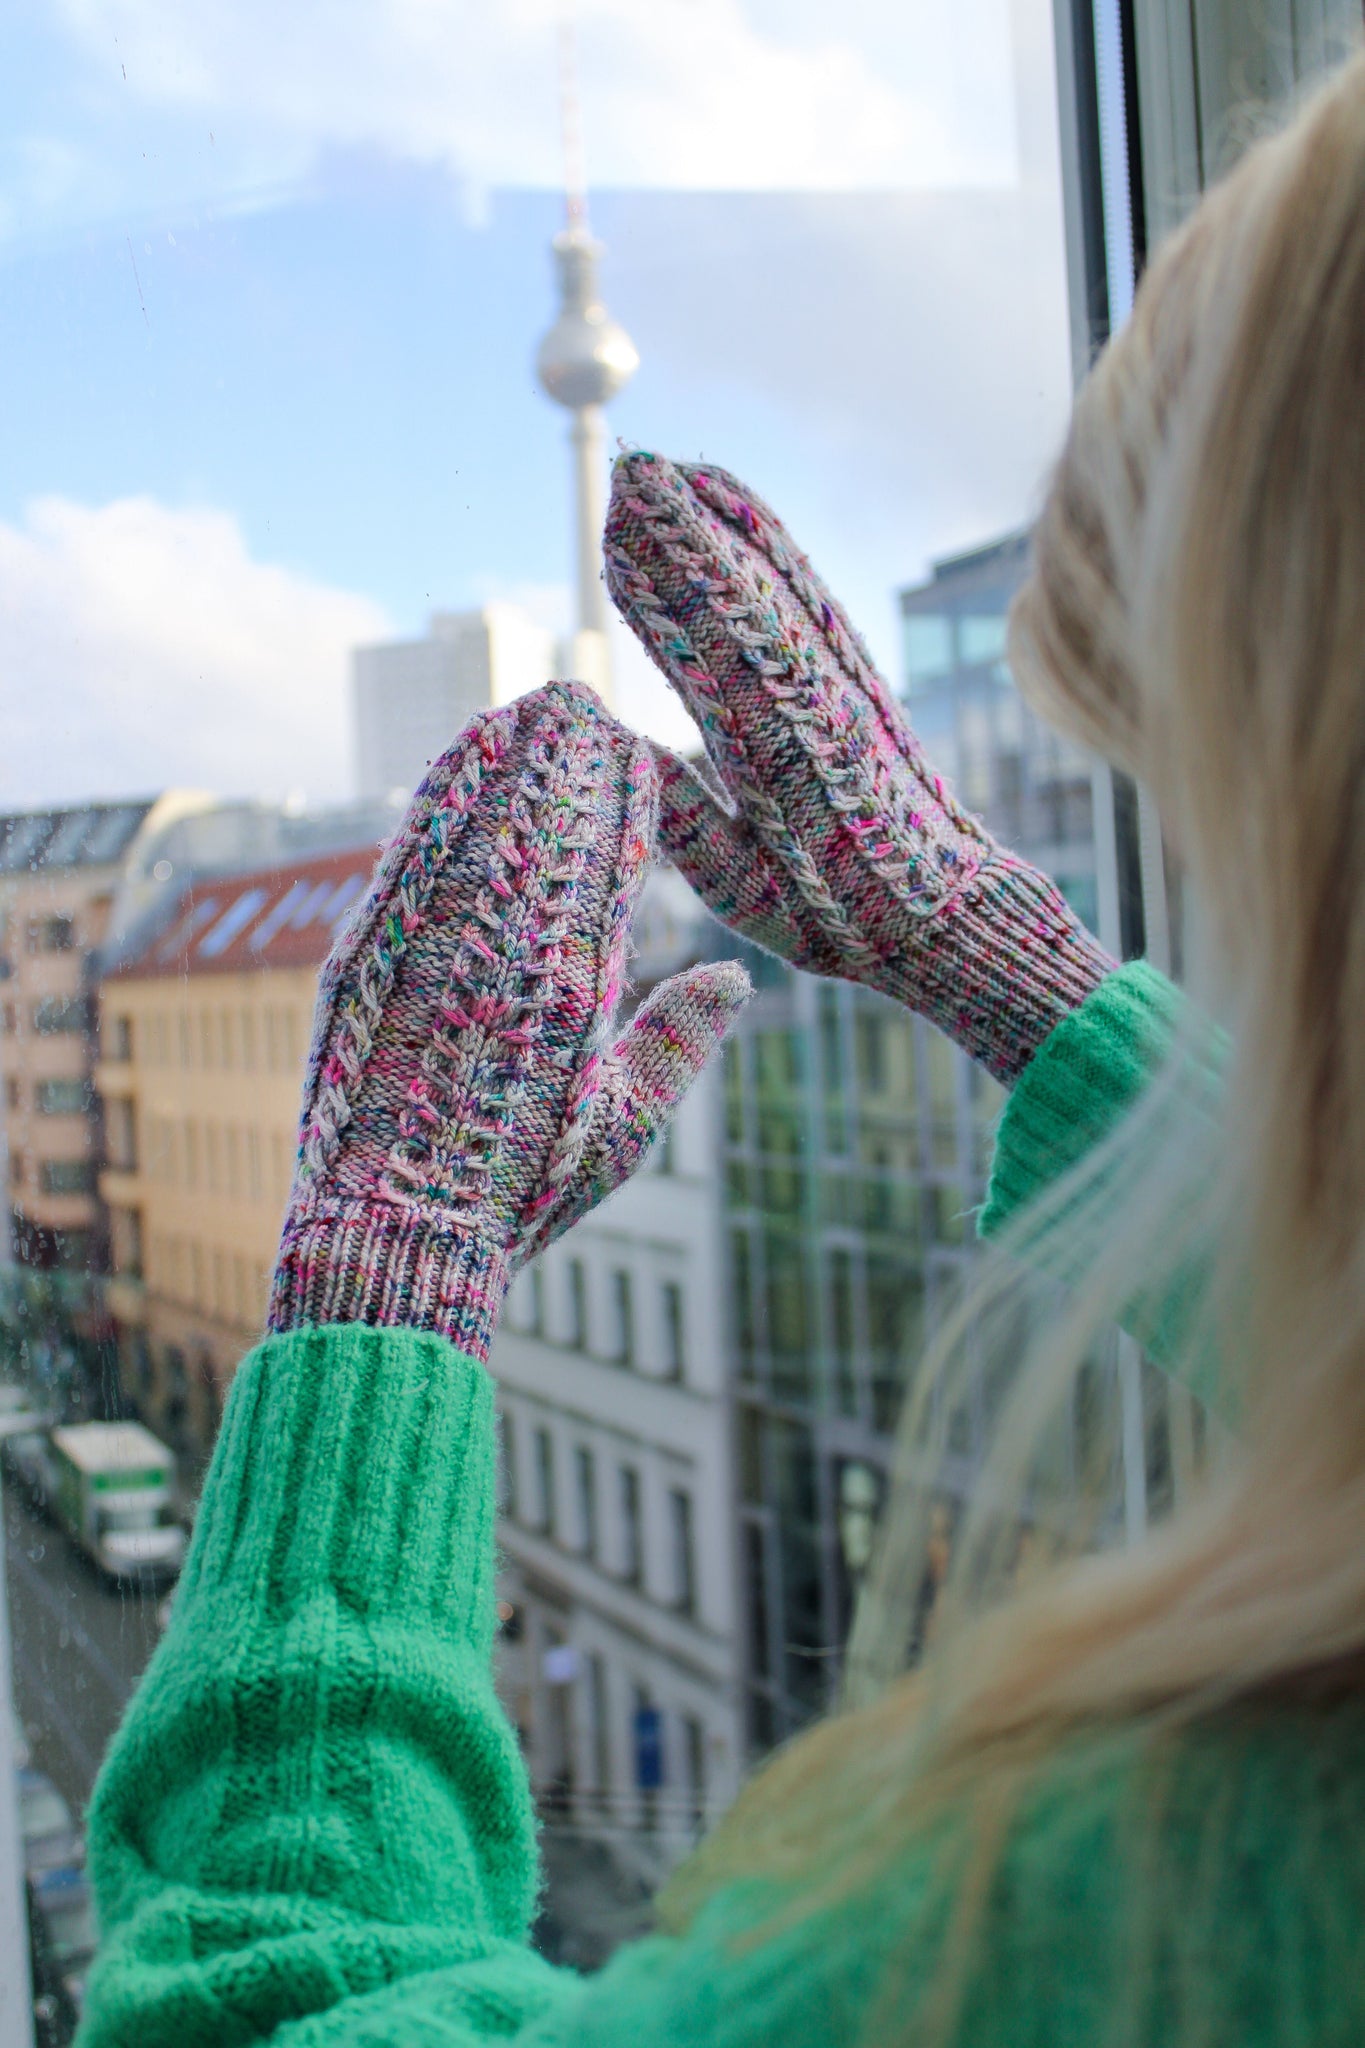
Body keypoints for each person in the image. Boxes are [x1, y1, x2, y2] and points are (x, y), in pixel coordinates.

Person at [75, 51, 1365, 2048]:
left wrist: (390, 1258)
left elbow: (257, 2007)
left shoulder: (1169, 1889)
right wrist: (1004, 967)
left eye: (1216, 841)